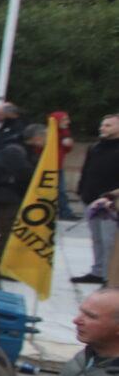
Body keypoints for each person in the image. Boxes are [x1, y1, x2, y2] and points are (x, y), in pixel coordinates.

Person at [0, 123, 47, 272]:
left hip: (13, 196)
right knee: (8, 233)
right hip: (9, 197)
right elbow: (25, 174)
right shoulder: (14, 150)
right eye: (45, 137)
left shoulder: (22, 149)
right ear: (37, 137)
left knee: (12, 234)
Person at [74, 112, 119, 283]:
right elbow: (86, 170)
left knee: (110, 241)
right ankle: (98, 271)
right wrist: (82, 190)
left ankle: (111, 277)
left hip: (111, 203)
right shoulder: (95, 147)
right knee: (97, 238)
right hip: (90, 199)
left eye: (108, 125)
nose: (103, 128)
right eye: (103, 124)